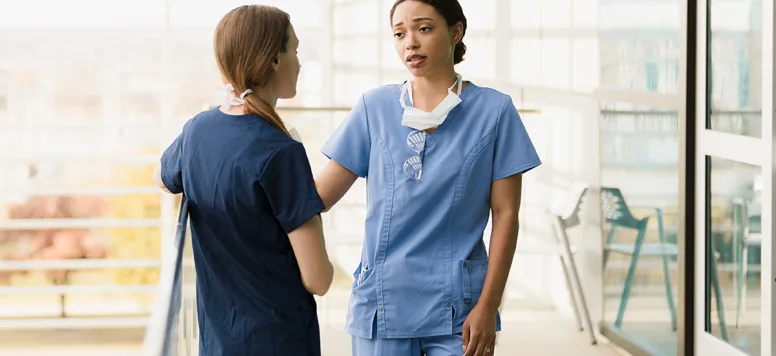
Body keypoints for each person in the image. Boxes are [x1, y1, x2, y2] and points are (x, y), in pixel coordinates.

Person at [315, 0, 541, 355]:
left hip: (461, 310)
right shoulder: (374, 108)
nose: (410, 43)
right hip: (382, 307)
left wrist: (488, 305)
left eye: (423, 28)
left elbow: (507, 216)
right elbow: (317, 199)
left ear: (455, 32)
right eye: (399, 33)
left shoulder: (495, 112)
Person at [152, 5, 333, 356]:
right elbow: (319, 279)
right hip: (280, 340)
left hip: (220, 341)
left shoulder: (198, 130)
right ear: (275, 60)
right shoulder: (282, 150)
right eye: (294, 50)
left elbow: (163, 179)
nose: (300, 61)